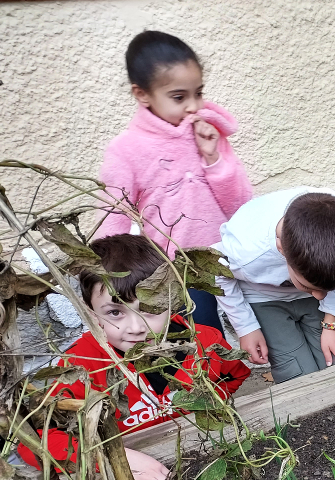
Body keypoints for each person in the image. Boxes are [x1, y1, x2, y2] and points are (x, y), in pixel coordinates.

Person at [17, 235, 251, 480]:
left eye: (149, 308)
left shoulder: (205, 341)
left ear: (172, 299)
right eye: (115, 312)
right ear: (91, 313)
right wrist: (111, 457)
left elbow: (234, 374)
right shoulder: (80, 365)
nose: (137, 327)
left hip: (201, 457)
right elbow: (34, 442)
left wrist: (205, 411)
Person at [97, 30, 253, 334]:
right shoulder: (126, 150)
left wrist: (213, 158)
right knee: (203, 337)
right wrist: (108, 275)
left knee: (257, 328)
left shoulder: (206, 132)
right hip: (179, 269)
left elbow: (240, 204)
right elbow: (113, 216)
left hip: (233, 255)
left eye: (199, 93)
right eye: (179, 97)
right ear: (142, 94)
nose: (194, 106)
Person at [215, 188, 335, 383]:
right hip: (264, 298)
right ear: (281, 249)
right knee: (297, 377)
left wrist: (332, 322)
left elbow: (333, 273)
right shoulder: (246, 253)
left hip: (312, 284)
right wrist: (246, 328)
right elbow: (218, 273)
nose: (320, 296)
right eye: (309, 286)